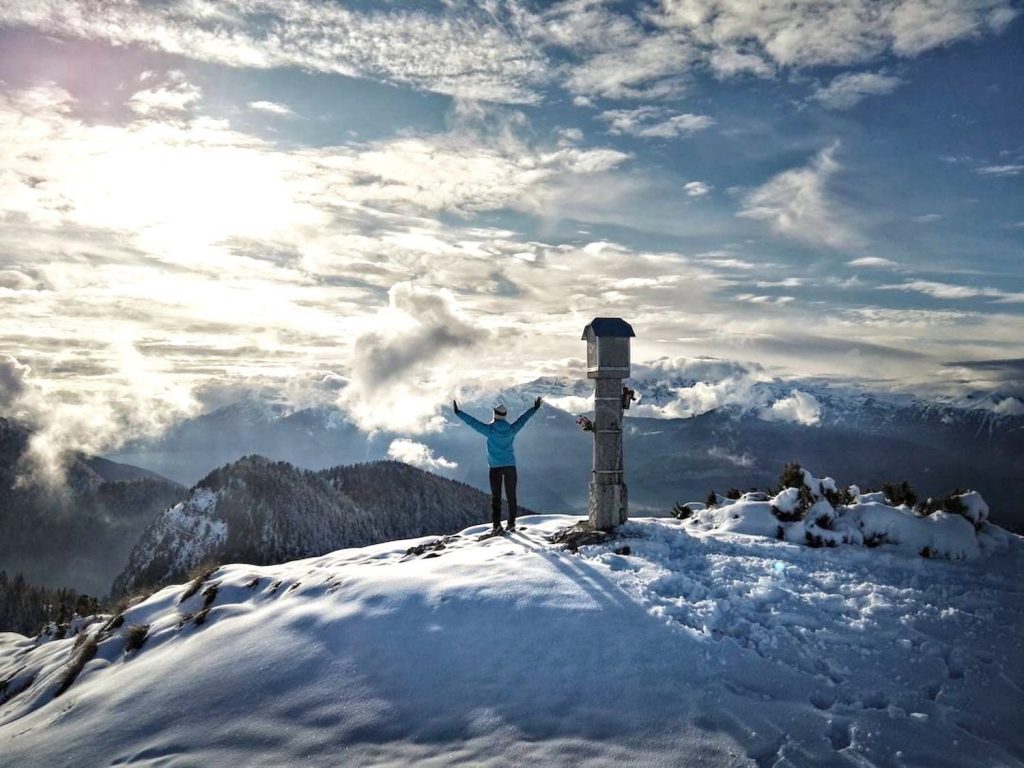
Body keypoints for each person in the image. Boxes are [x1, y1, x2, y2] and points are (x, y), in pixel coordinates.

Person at [452, 396, 542, 533]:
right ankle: (511, 524)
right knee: (511, 496)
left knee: (496, 497)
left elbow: (472, 422)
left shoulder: (489, 430)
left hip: (494, 468)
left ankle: (496, 525)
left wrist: (459, 413)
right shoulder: (512, 429)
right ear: (505, 416)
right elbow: (524, 419)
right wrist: (534, 408)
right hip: (510, 466)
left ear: (495, 415)